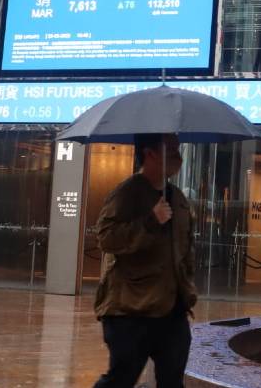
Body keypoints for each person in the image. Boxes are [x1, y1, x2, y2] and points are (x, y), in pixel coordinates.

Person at [93, 133, 197, 388]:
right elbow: (107, 238)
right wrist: (151, 221)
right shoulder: (127, 193)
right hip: (131, 311)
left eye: (178, 149)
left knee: (172, 382)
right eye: (171, 150)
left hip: (172, 310)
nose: (178, 156)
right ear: (150, 153)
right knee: (120, 379)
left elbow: (185, 249)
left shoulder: (177, 198)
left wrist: (187, 288)